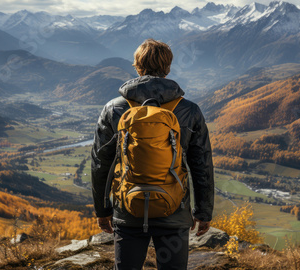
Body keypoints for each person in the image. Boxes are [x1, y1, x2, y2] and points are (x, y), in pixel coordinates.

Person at [91, 38, 214, 269]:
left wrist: (102, 209)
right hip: (174, 210)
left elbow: (100, 163)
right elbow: (202, 164)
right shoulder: (189, 111)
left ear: (137, 66)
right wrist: (203, 212)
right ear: (168, 68)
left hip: (128, 208)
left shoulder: (114, 109)